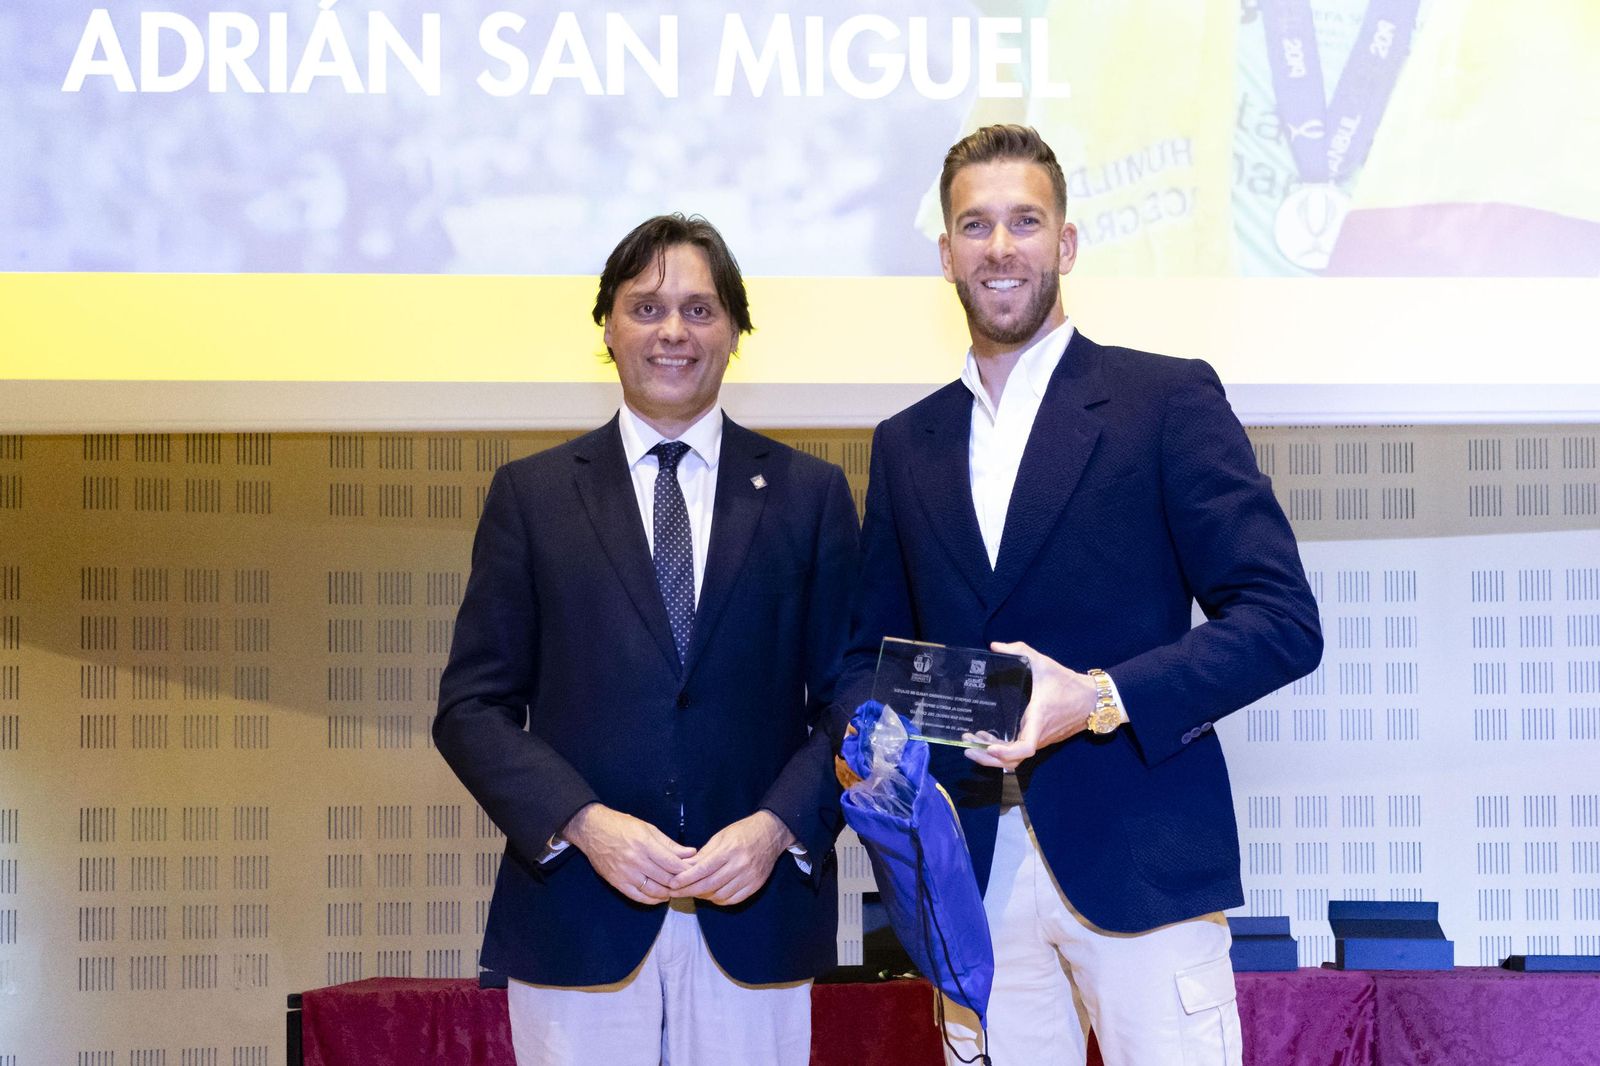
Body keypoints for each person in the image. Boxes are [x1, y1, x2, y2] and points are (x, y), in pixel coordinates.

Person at [837, 125, 1323, 1065]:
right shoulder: (907, 443)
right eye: (975, 226)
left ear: (1065, 244)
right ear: (945, 255)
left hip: (1138, 858)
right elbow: (869, 655)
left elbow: (1280, 620)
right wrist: (872, 748)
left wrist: (1097, 698)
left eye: (1026, 220)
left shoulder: (1165, 400)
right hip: (968, 871)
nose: (1001, 246)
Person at [435, 214, 858, 1066]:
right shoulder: (533, 496)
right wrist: (585, 825)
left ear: (736, 332)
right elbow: (472, 708)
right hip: (575, 917)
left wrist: (778, 826)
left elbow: (853, 695)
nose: (673, 331)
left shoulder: (810, 495)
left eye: (701, 310)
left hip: (757, 914)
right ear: (608, 327)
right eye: (647, 307)